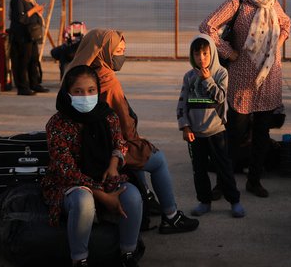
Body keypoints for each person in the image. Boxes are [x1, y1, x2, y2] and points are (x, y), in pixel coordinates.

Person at [66, 28, 199, 234]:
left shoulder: (75, 73)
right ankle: (171, 216)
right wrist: (136, 140)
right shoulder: (107, 80)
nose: (122, 56)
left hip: (83, 146)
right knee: (157, 159)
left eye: (123, 50)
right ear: (104, 52)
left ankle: (146, 197)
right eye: (118, 51)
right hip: (106, 150)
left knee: (138, 154)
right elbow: (124, 125)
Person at [199, 0, 291, 198]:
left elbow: (286, 24)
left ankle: (254, 180)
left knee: (262, 133)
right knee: (234, 133)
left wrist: (277, 47)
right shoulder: (237, 3)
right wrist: (229, 52)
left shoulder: (273, 4)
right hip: (242, 78)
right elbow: (207, 26)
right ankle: (223, 182)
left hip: (269, 77)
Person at [41, 65, 142, 267]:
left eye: (90, 90)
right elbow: (66, 169)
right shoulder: (57, 123)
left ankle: (128, 253)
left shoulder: (107, 116)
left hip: (104, 177)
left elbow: (120, 144)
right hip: (67, 183)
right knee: (83, 201)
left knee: (132, 197)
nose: (85, 96)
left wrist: (114, 165)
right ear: (67, 94)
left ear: (98, 90)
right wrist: (103, 197)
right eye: (78, 91)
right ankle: (79, 258)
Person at [177, 34, 245, 218]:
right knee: (199, 170)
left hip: (216, 131)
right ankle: (204, 201)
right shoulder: (189, 77)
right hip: (195, 134)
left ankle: (234, 201)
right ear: (192, 56)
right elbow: (182, 103)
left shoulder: (221, 73)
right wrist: (185, 126)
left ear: (212, 53)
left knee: (224, 168)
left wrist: (208, 79)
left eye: (206, 54)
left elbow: (221, 98)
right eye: (197, 54)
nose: (202, 58)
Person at [8, 0, 49, 95]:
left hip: (31, 35)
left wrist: (37, 11)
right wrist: (34, 10)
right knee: (22, 60)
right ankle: (22, 87)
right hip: (22, 35)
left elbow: (30, 14)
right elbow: (21, 17)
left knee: (33, 59)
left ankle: (34, 84)